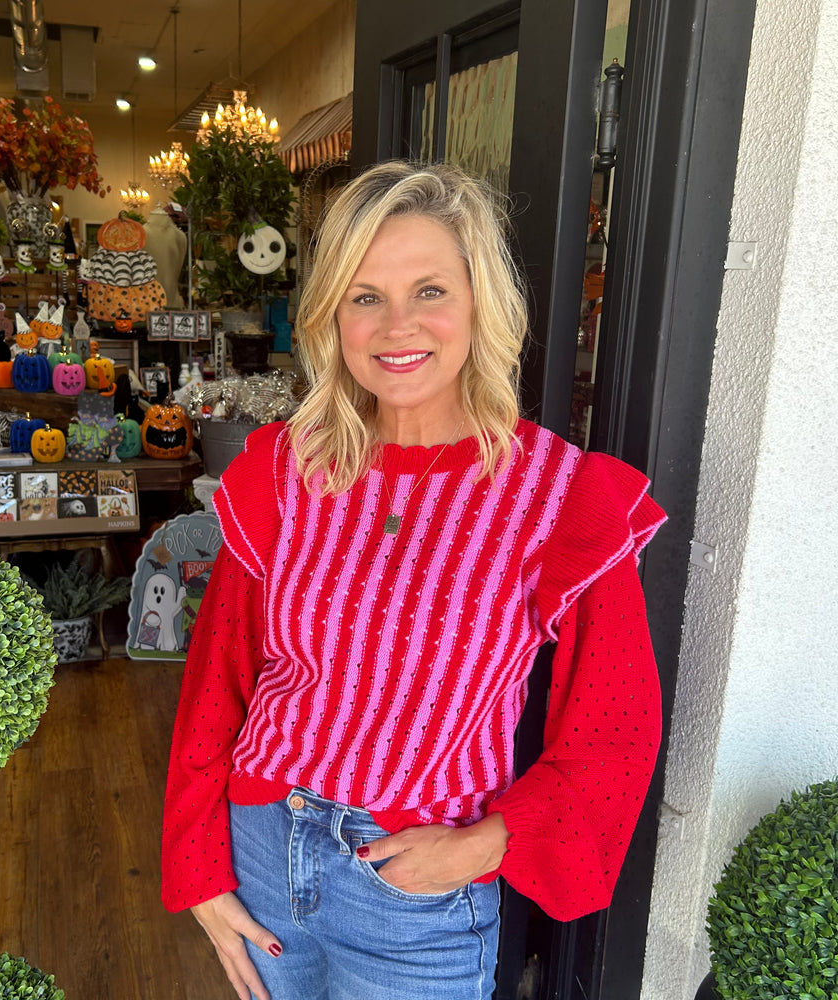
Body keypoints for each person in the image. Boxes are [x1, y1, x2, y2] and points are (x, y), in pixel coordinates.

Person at [161, 160, 666, 1000]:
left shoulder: (559, 495)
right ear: (333, 318)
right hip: (262, 846)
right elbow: (220, 680)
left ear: (480, 305)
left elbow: (614, 729)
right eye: (365, 296)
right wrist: (200, 869)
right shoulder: (286, 472)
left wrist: (489, 844)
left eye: (429, 290)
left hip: (414, 894)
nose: (397, 325)